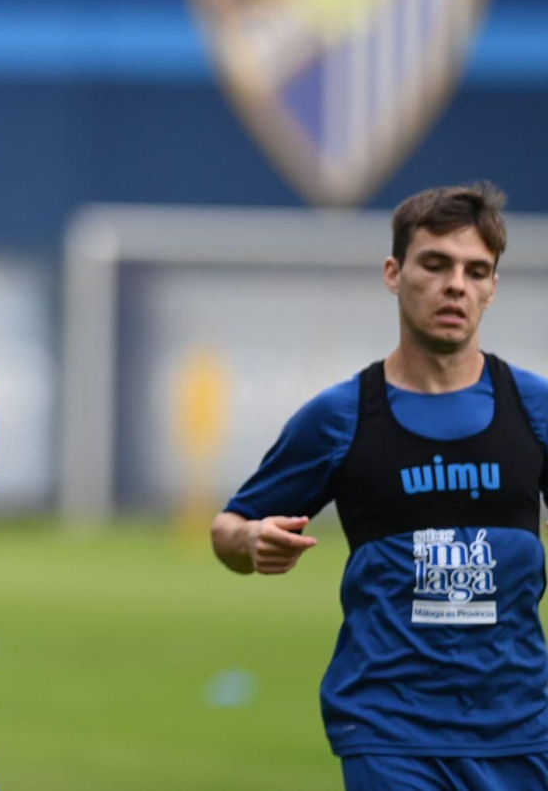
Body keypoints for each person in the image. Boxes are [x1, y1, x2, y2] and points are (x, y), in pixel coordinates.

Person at [211, 182, 548, 790]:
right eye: (436, 264)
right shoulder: (341, 416)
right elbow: (228, 527)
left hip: (523, 729)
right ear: (394, 273)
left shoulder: (534, 409)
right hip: (389, 733)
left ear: (493, 287)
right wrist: (251, 540)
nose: (456, 286)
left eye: (477, 271)